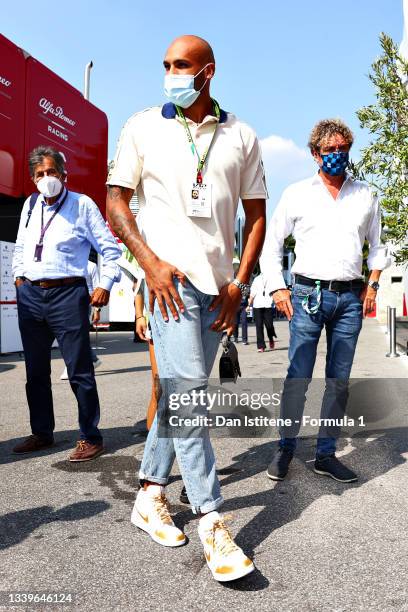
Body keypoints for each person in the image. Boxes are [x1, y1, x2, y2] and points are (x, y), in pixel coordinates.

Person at [106, 35, 266, 581]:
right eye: (166, 64)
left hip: (217, 291)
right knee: (190, 394)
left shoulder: (240, 134)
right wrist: (148, 263)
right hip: (168, 282)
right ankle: (211, 520)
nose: (171, 72)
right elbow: (116, 199)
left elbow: (256, 215)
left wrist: (240, 282)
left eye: (182, 65)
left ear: (209, 72)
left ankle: (150, 493)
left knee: (179, 393)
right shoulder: (142, 125)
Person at [260, 118, 390, 483]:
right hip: (306, 296)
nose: (336, 155)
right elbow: (271, 246)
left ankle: (325, 454)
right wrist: (277, 287)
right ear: (314, 154)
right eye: (329, 150)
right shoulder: (297, 194)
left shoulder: (366, 194)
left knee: (339, 380)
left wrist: (374, 284)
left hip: (350, 298)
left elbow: (378, 246)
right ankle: (285, 448)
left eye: (342, 149)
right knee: (297, 376)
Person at [12, 146, 121, 462]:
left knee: (79, 370)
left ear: (64, 174)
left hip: (67, 294)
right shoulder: (31, 205)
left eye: (52, 173)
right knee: (35, 371)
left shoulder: (82, 205)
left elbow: (109, 250)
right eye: (40, 174)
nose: (46, 179)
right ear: (33, 179)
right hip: (30, 295)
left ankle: (90, 436)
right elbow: (20, 247)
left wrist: (104, 284)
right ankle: (42, 433)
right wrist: (20, 279)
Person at [60, 260, 102, 380]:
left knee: (75, 334)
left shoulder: (91, 266)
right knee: (74, 334)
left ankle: (70, 366)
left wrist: (97, 310)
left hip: (85, 302)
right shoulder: (68, 263)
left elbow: (97, 288)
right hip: (66, 300)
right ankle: (93, 359)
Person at [248, 272, 277, 352]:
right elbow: (253, 292)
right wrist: (249, 303)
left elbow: (275, 291)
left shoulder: (271, 279)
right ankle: (261, 346)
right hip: (257, 305)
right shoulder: (256, 279)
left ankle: (271, 338)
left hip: (268, 305)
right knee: (259, 326)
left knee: (269, 325)